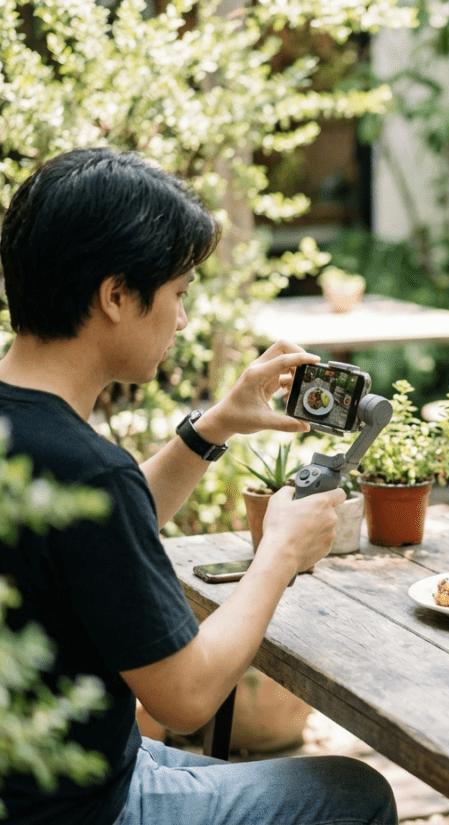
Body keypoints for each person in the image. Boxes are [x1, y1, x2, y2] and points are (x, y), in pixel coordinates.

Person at [0, 148, 398, 825]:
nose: (182, 319)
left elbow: (86, 537)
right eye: (179, 291)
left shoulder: (31, 434)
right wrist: (280, 550)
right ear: (117, 295)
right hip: (78, 807)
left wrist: (212, 427)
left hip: (46, 771)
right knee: (356, 796)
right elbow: (186, 698)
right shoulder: (87, 464)